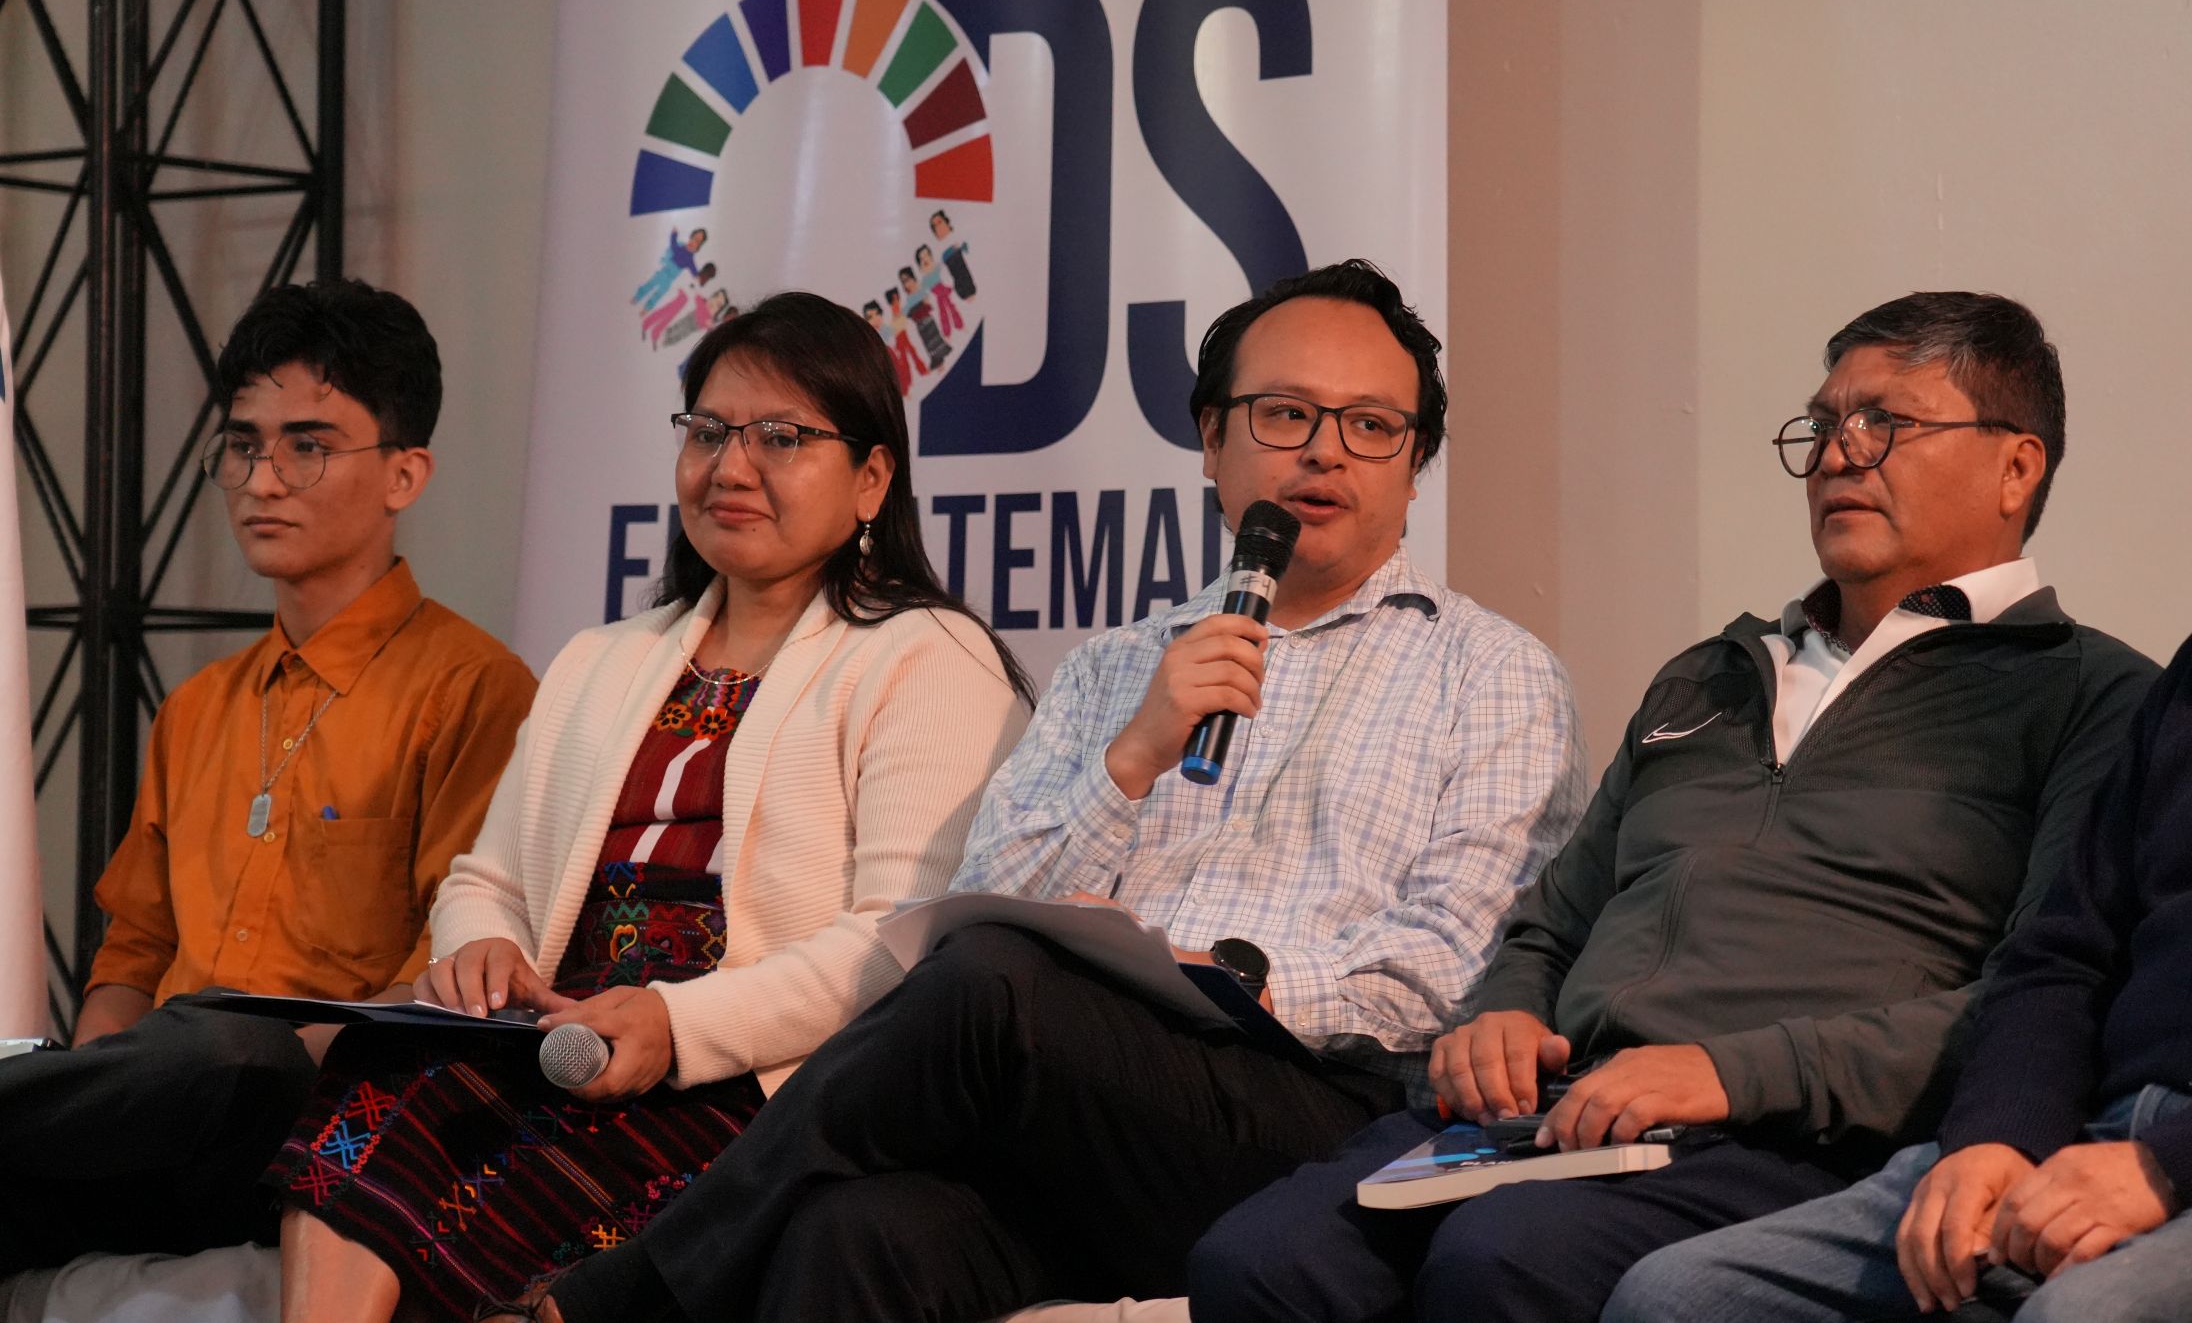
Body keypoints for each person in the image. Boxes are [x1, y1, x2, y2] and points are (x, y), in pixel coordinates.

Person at [511, 258, 1593, 1323]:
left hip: (1315, 1118)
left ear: (1414, 465)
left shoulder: (1493, 674)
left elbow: (1455, 970)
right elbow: (980, 907)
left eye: (1370, 426)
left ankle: (617, 1303)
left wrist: (1234, 978)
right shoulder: (1116, 666)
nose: (1323, 450)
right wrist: (1132, 758)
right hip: (1077, 1120)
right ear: (1210, 439)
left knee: (995, 986)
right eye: (1283, 414)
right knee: (856, 1230)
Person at [1187, 291, 2160, 1323]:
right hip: (1557, 1115)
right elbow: (1553, 921)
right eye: (1824, 424)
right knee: (1255, 1261)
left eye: (1886, 423)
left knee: (1503, 1259)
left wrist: (1725, 1073)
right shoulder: (1711, 674)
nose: (1838, 454)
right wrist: (1503, 1011)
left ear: (2016, 467)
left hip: (1793, 1136)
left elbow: (2038, 997)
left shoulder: (2091, 695)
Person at [266, 292, 1032, 1321]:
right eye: (708, 432)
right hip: (559, 1034)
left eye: (780, 438)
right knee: (384, 1064)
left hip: (758, 1076)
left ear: (871, 478)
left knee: (528, 1177)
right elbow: (486, 880)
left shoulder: (927, 656)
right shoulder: (602, 658)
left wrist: (676, 1023)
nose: (731, 468)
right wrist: (484, 948)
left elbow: (899, 944)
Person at [0, 279, 537, 1270]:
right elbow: (131, 958)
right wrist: (109, 1093)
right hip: (164, 1122)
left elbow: (446, 976)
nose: (262, 481)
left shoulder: (472, 689)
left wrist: (229, 1062)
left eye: (307, 446)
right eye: (243, 445)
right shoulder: (199, 706)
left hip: (319, 1119)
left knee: (233, 1047)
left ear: (405, 474)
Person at [1607, 630, 2192, 1323]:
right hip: (2091, 1129)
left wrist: (2168, 1163)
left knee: (2080, 1313)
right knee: (1671, 1295)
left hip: (2164, 1154)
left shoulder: (2087, 682)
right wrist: (2000, 1133)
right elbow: (2063, 957)